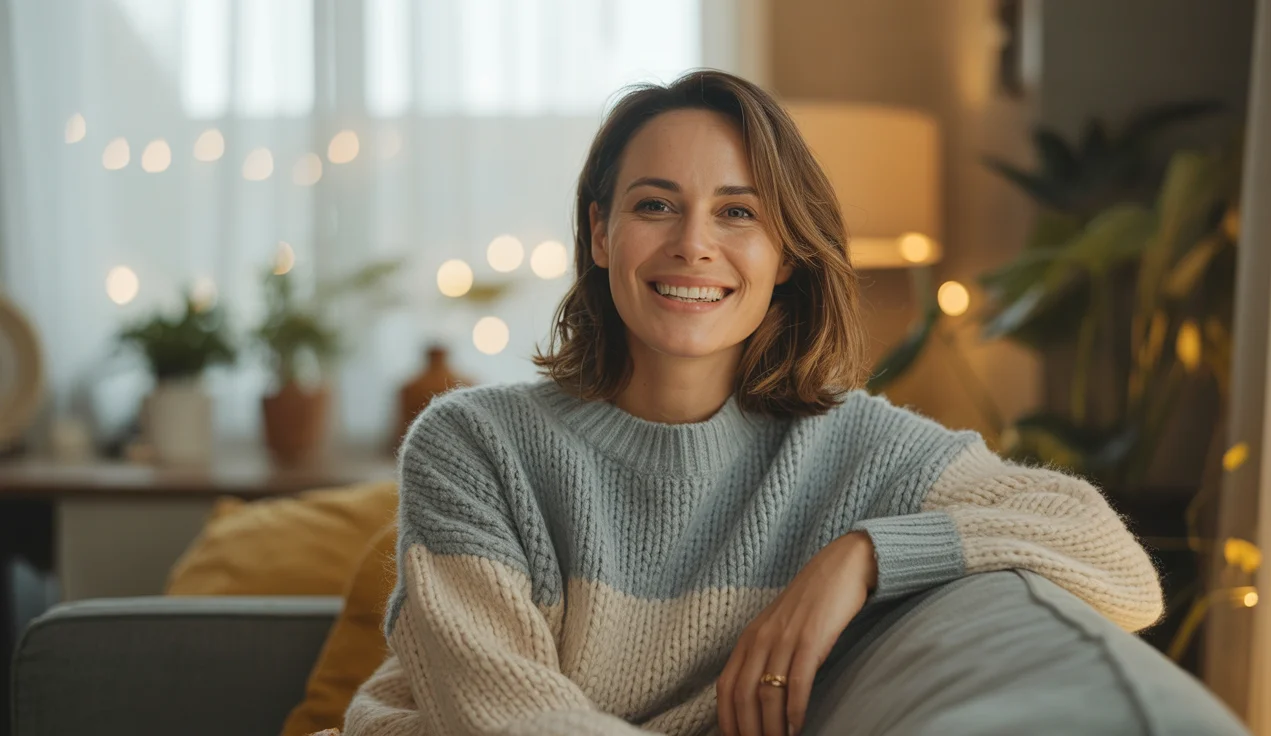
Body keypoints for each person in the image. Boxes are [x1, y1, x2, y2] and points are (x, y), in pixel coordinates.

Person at [341, 70, 1163, 736]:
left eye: (737, 212)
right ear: (600, 234)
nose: (693, 244)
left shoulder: (857, 449)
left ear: (786, 255)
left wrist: (864, 556)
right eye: (655, 205)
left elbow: (1118, 565)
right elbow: (505, 717)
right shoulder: (472, 442)